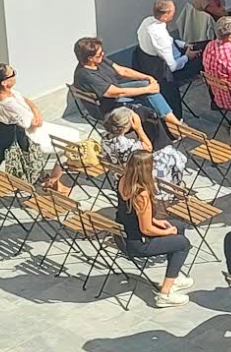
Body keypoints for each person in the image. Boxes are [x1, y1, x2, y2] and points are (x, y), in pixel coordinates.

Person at [0, 63, 76, 193]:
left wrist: (33, 108)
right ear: (4, 82)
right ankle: (53, 181)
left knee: (70, 135)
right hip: (29, 138)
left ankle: (43, 176)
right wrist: (35, 109)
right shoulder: (9, 105)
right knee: (71, 143)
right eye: (13, 73)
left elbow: (26, 101)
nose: (15, 74)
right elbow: (35, 123)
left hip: (16, 133)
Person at [115, 151, 193, 307]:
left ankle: (174, 275)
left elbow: (138, 217)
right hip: (138, 244)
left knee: (179, 226)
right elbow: (146, 229)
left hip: (124, 235)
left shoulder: (124, 180)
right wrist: (166, 232)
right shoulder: (141, 194)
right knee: (182, 243)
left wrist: (158, 222)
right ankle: (165, 294)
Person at [71, 36, 180, 129]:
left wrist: (147, 77)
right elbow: (116, 93)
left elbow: (123, 71)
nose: (103, 54)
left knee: (150, 89)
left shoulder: (99, 60)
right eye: (99, 54)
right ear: (90, 58)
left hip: (116, 91)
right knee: (150, 93)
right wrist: (147, 89)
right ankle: (174, 125)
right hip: (108, 104)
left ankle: (170, 123)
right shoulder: (86, 75)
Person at [136, 0, 204, 119]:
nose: (174, 13)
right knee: (205, 56)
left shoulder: (147, 22)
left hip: (154, 62)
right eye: (173, 12)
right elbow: (172, 66)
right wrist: (187, 57)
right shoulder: (159, 36)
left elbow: (170, 41)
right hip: (169, 70)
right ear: (166, 15)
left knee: (202, 44)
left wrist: (184, 45)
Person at [100, 107, 186, 192]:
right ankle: (174, 185)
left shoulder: (105, 138)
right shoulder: (125, 144)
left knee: (169, 155)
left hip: (120, 178)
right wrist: (139, 128)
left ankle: (174, 183)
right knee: (173, 156)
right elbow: (148, 148)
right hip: (136, 180)